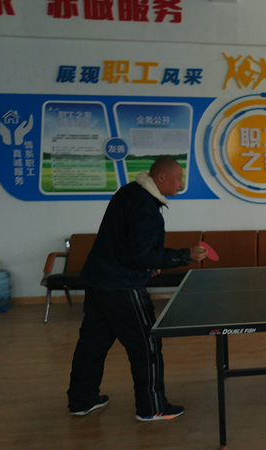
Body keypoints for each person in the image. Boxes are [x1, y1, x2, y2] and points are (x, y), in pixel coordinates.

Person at [67, 157, 207, 420]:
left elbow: (126, 243)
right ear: (161, 177)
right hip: (122, 285)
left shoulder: (130, 192)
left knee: (92, 343)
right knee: (147, 345)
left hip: (98, 280)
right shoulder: (145, 207)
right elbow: (142, 254)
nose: (181, 184)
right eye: (178, 178)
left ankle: (81, 400)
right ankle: (153, 407)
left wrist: (148, 264)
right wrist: (185, 255)